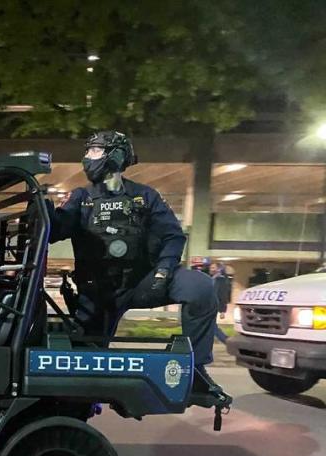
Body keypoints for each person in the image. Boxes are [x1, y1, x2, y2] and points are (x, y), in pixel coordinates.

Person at [49, 130, 228, 402]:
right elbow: (55, 230)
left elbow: (173, 236)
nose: (87, 158)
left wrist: (164, 270)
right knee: (84, 367)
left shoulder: (144, 197)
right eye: (87, 152)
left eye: (94, 151)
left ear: (116, 156)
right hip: (98, 293)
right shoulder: (80, 198)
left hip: (143, 283)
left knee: (200, 287)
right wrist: (43, 212)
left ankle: (196, 371)